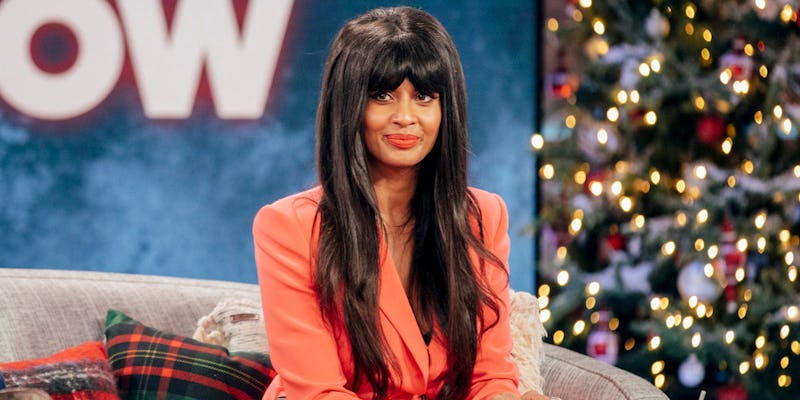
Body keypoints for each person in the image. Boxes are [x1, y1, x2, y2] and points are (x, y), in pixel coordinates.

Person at [253, 7, 548, 400]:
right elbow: (320, 392)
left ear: (447, 110)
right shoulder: (287, 227)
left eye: (424, 96)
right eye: (383, 96)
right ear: (349, 107)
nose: (406, 117)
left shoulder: (482, 217)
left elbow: (489, 377)